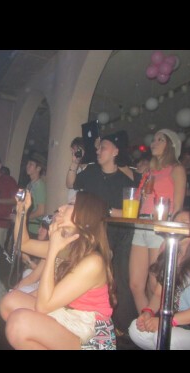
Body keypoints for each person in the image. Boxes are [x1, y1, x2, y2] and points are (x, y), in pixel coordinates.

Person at [0, 191, 116, 350]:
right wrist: (22, 212)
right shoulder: (67, 246)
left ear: (86, 214)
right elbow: (23, 244)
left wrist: (52, 251)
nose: (61, 208)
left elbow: (43, 306)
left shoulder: (93, 262)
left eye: (71, 204)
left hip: (92, 335)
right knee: (9, 301)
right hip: (68, 314)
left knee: (19, 324)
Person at [72, 130, 140, 334]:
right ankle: (89, 317)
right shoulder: (91, 172)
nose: (98, 150)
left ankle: (122, 326)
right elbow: (71, 183)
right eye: (99, 147)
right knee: (89, 276)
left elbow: (131, 212)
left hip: (118, 235)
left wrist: (106, 210)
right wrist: (74, 163)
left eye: (103, 147)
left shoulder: (125, 180)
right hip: (91, 232)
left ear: (115, 152)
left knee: (117, 279)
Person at [129, 209, 190, 350]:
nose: (177, 226)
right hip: (178, 327)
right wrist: (148, 313)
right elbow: (159, 294)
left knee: (166, 338)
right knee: (135, 330)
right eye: (175, 222)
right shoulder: (172, 256)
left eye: (184, 222)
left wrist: (168, 322)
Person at [129, 129, 186, 313]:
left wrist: (168, 232)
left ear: (171, 145)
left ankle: (158, 325)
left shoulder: (176, 169)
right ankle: (145, 325)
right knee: (136, 284)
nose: (154, 142)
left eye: (160, 139)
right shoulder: (149, 172)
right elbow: (136, 201)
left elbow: (178, 207)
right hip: (141, 225)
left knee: (155, 286)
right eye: (153, 139)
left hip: (160, 226)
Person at [25, 152, 47, 238]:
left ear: (38, 168)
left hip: (34, 229)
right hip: (28, 226)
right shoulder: (29, 185)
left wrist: (24, 218)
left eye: (31, 164)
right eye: (28, 163)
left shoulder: (40, 185)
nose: (27, 166)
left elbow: (41, 211)